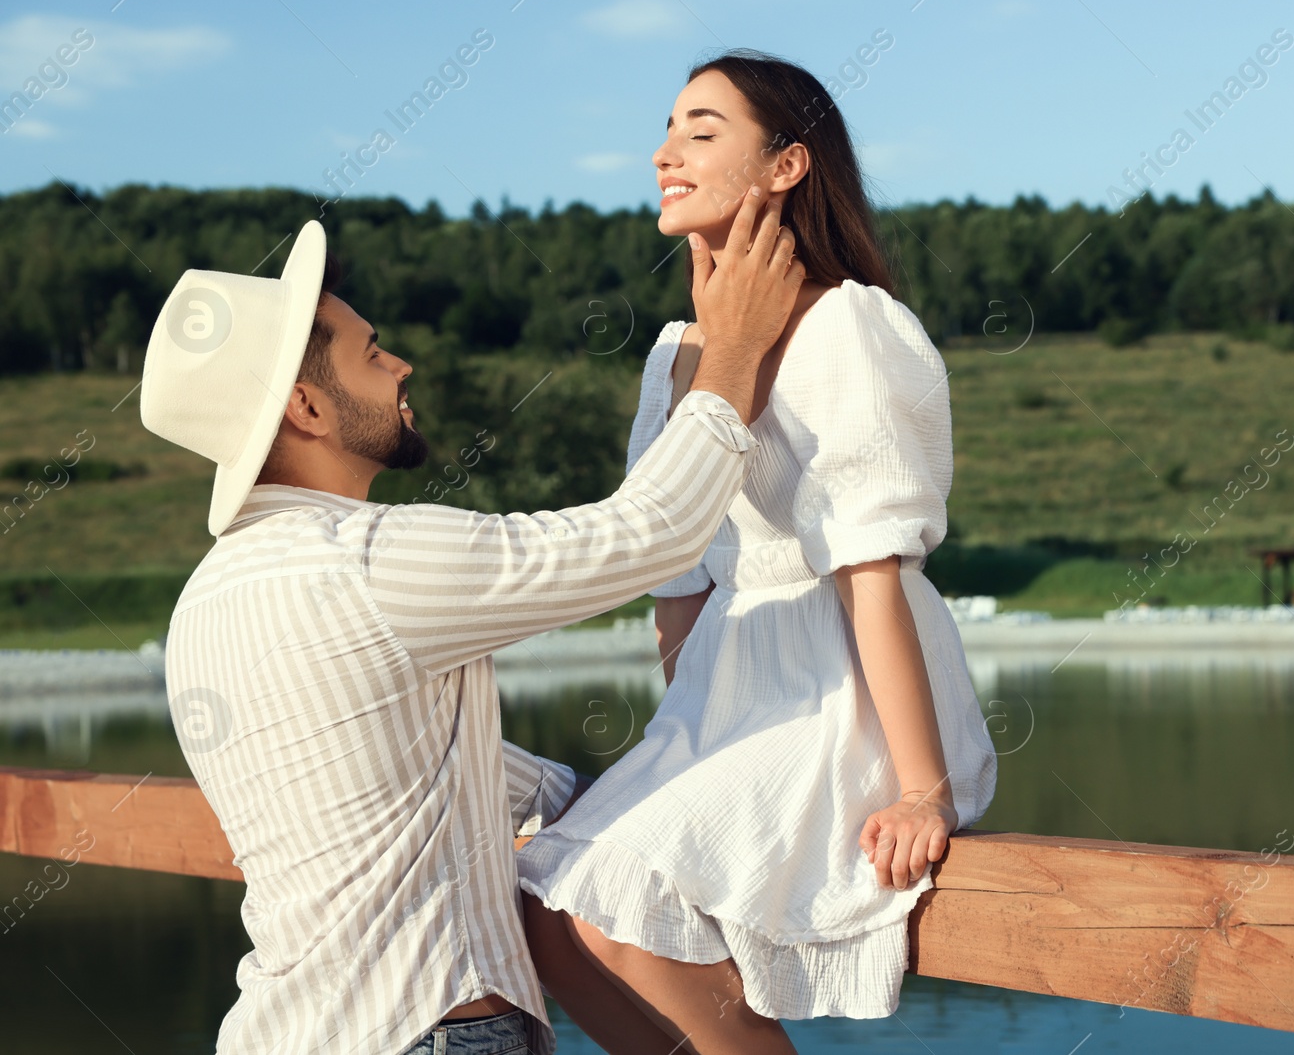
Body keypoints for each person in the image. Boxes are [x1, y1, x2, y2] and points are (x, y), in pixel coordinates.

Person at [141, 194, 803, 1055]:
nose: (403, 365)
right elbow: (649, 534)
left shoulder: (205, 597)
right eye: (372, 352)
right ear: (306, 407)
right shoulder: (366, 558)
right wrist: (738, 350)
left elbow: (418, 776)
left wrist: (629, 816)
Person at [517, 50, 998, 1054]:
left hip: (839, 696)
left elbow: (873, 573)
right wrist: (675, 746)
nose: (664, 153)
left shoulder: (850, 325)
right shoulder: (674, 354)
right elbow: (677, 581)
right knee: (545, 903)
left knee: (622, 887)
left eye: (702, 131)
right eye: (668, 130)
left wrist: (923, 786)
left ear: (786, 166)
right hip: (723, 696)